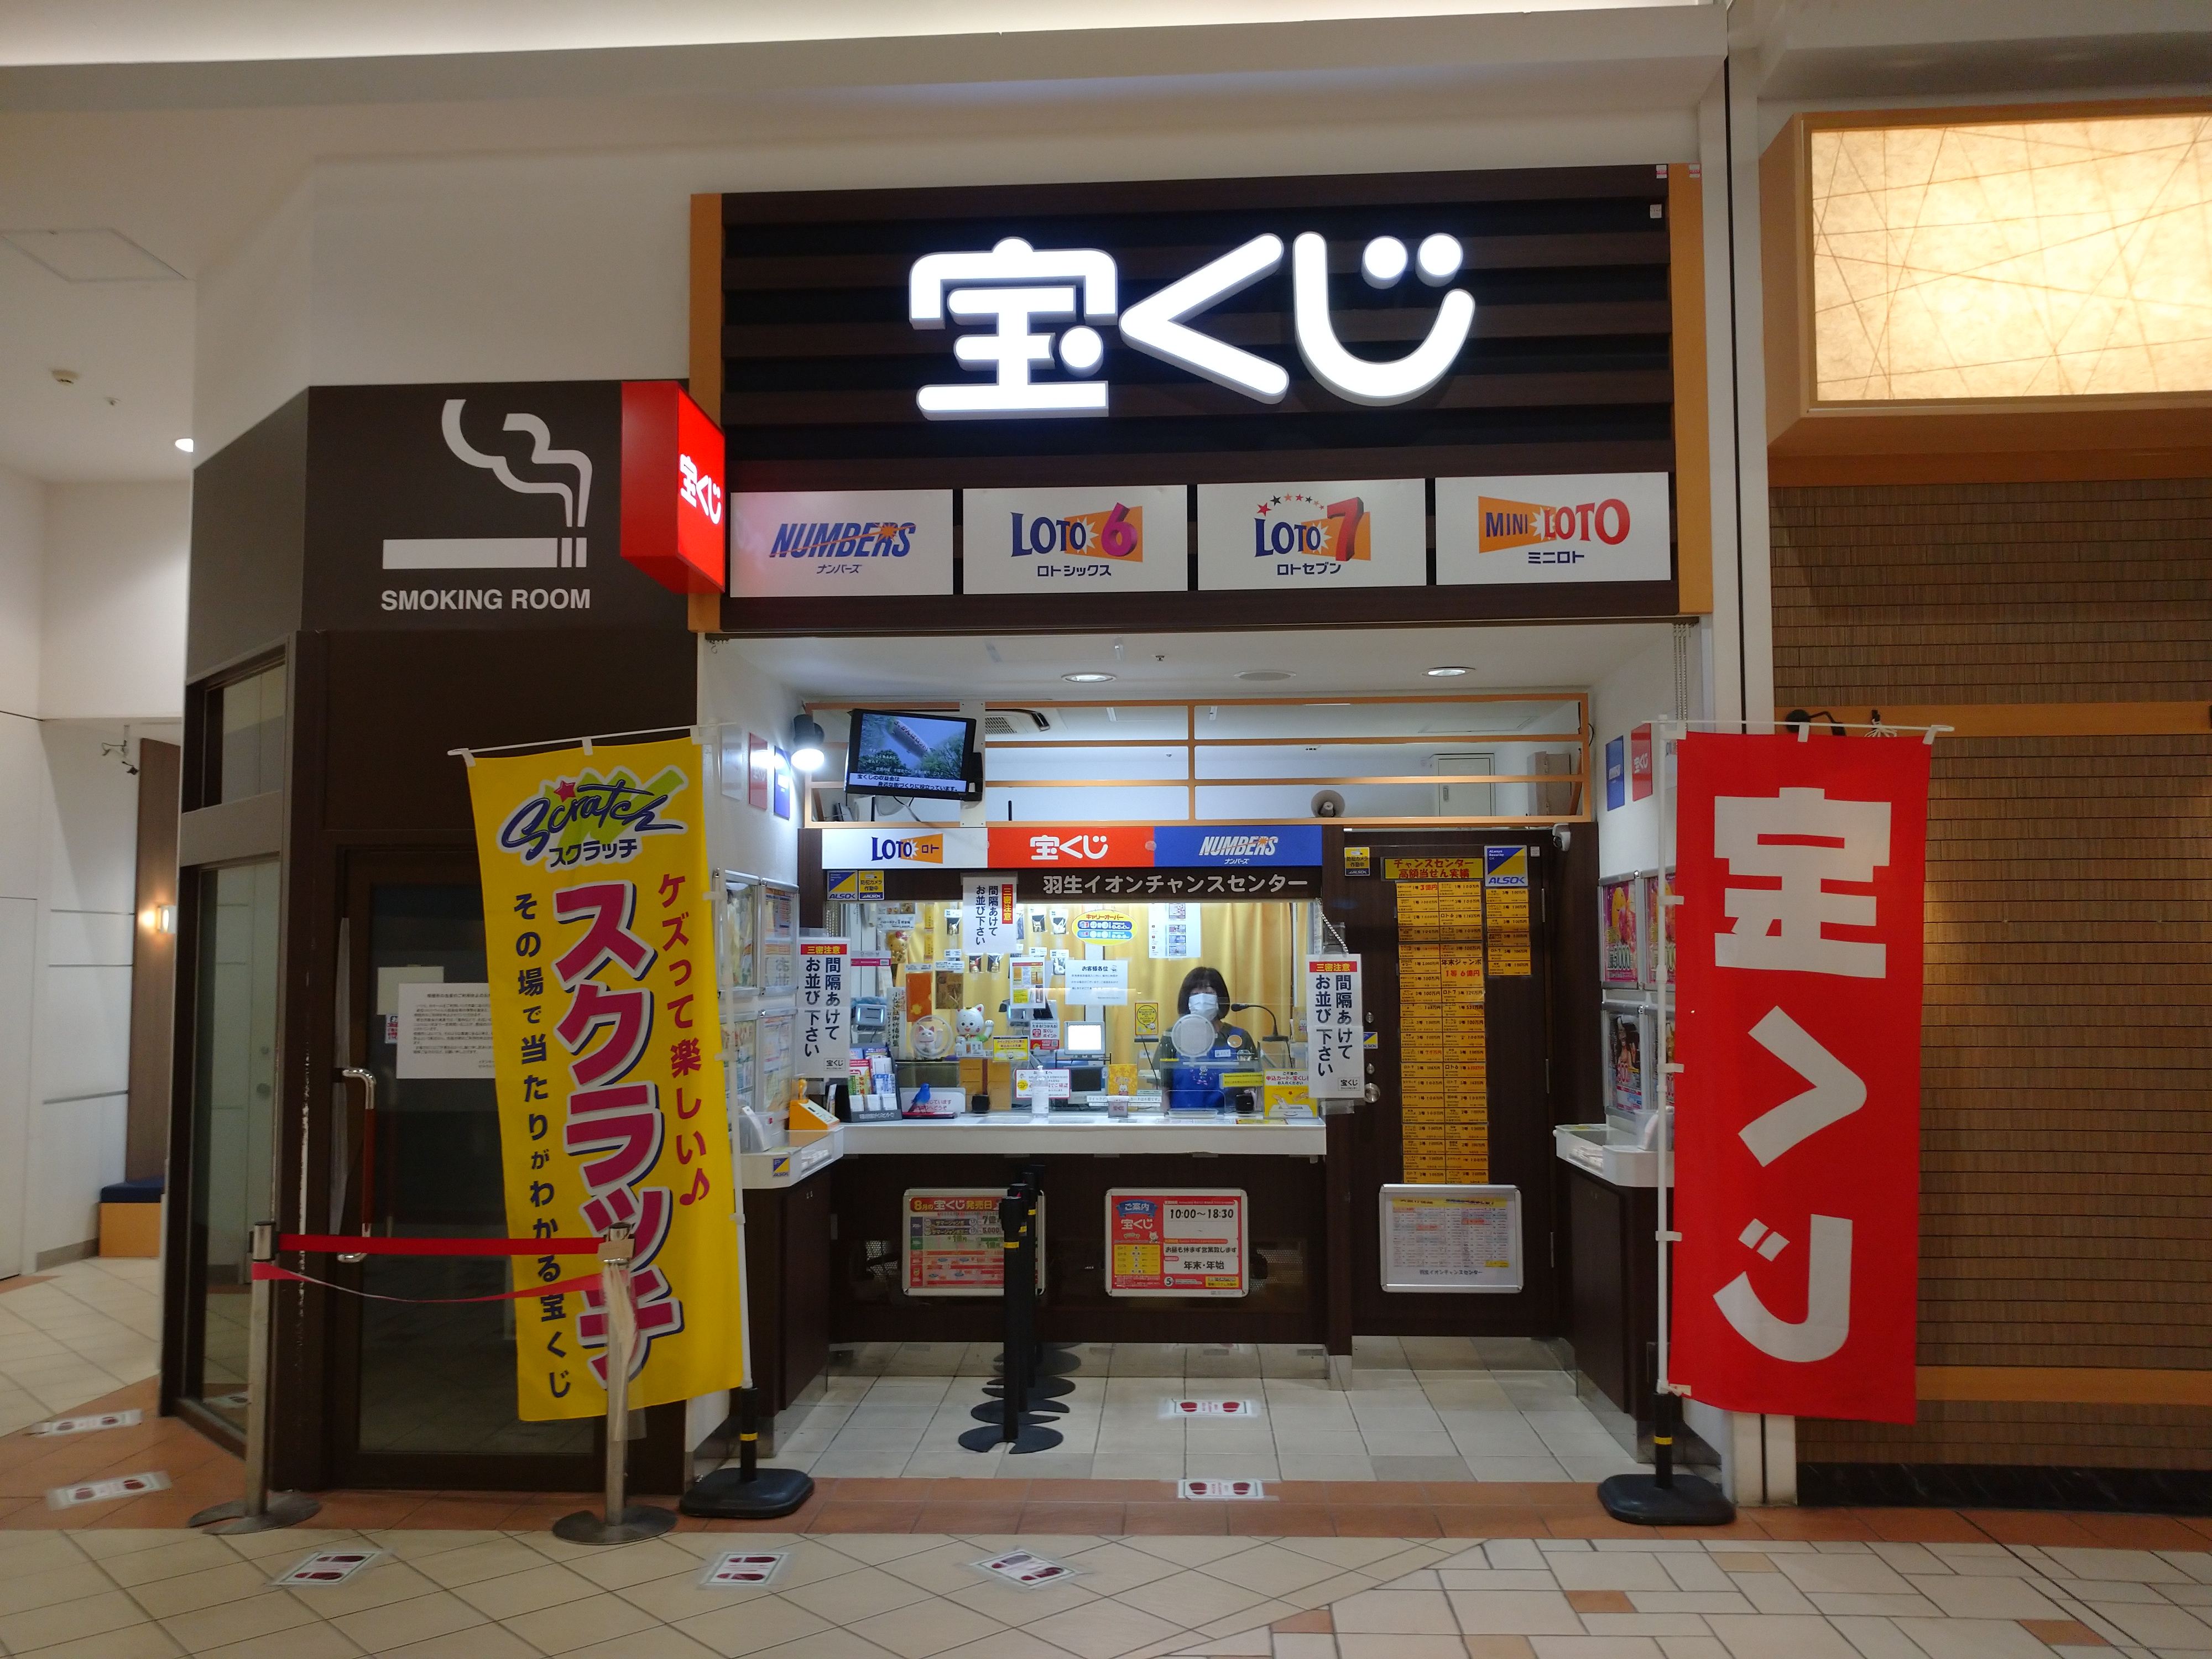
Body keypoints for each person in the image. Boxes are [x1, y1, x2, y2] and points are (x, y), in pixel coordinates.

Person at [1152, 966, 1261, 1112]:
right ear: (1187, 1000)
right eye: (1195, 994)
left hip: (1229, 1120)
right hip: (1181, 1120)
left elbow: (1253, 1087)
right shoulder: (1172, 1037)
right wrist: (1166, 1120)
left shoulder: (1239, 1038)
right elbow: (1160, 1088)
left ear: (1220, 998)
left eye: (1209, 993)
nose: (1202, 1000)